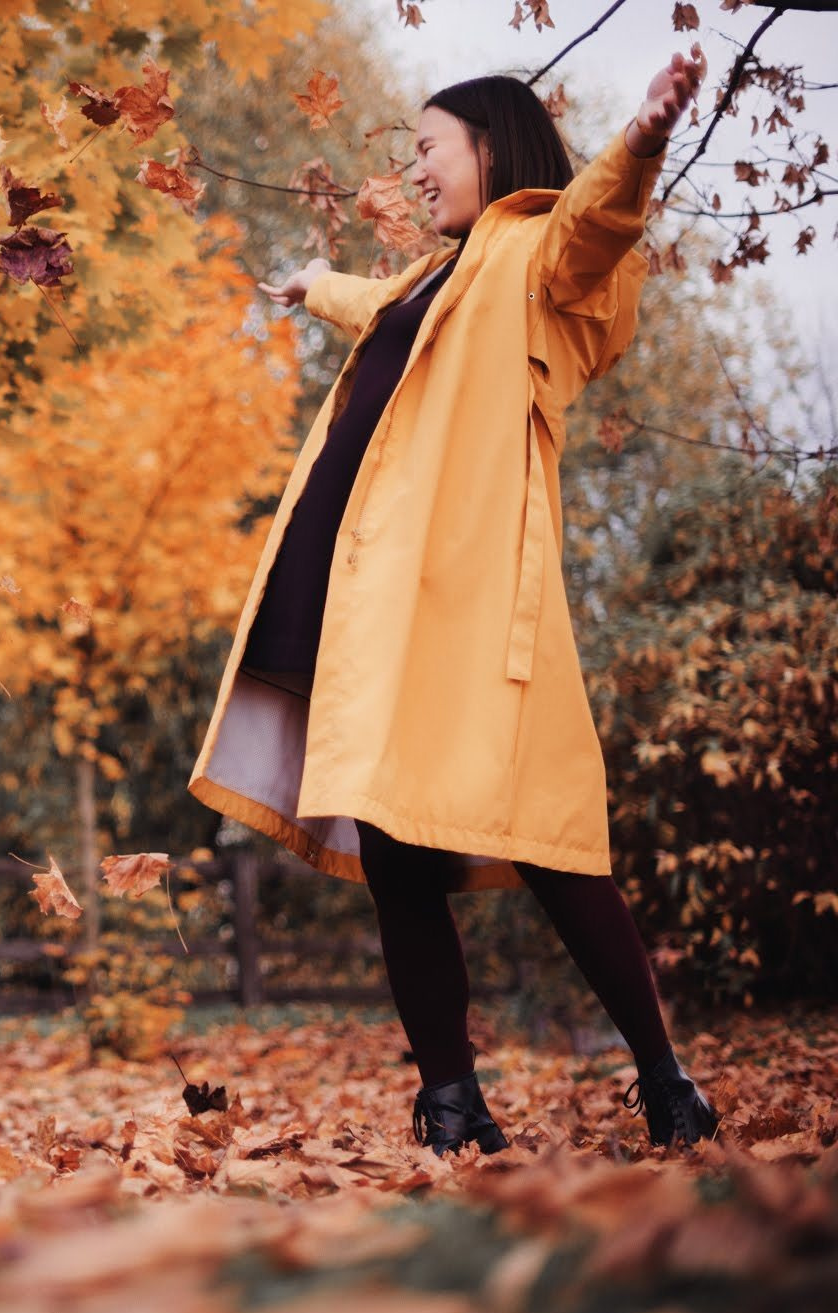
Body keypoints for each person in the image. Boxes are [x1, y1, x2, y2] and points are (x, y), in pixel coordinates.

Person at [190, 51, 719, 1153]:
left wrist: (643, 137)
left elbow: (599, 223)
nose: (415, 168)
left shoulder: (534, 255)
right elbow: (371, 305)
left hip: (470, 608)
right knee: (393, 844)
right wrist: (306, 286)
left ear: (491, 148)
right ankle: (448, 1098)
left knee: (549, 844)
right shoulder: (436, 275)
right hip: (376, 600)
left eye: (427, 146)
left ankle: (663, 1077)